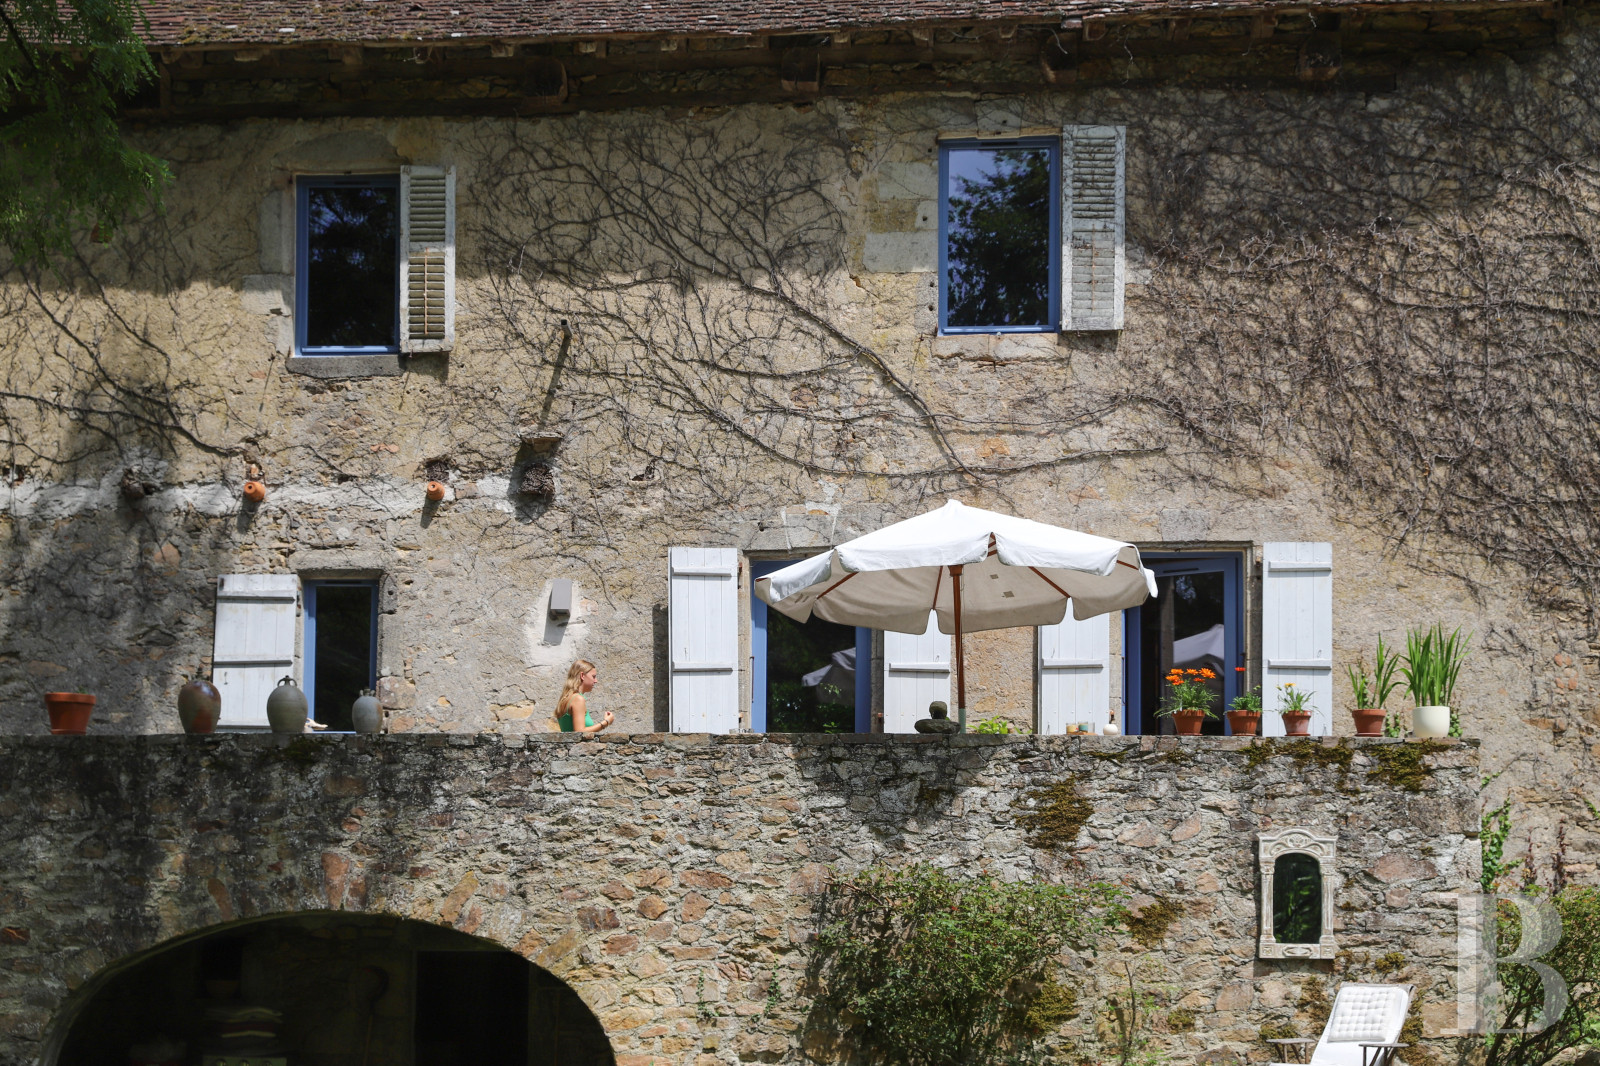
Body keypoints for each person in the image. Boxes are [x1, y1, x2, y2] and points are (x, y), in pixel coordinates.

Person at [552, 659, 613, 735]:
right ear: (582, 676)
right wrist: (606, 722)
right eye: (593, 676)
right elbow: (580, 732)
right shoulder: (578, 699)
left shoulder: (566, 699)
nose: (596, 681)